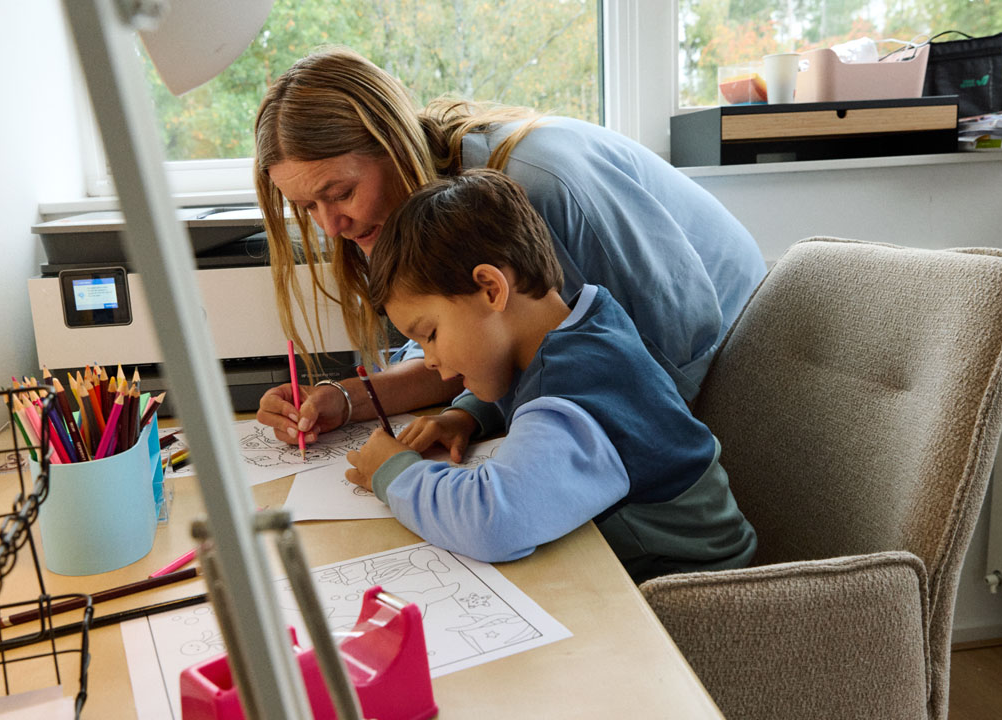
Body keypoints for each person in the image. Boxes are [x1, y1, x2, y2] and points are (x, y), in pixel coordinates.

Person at [253, 46, 766, 448]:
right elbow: (458, 357)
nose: (331, 225)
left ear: (393, 143)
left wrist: (526, 443)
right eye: (306, 208)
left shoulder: (539, 183)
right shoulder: (409, 218)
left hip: (730, 361)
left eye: (340, 193)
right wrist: (342, 401)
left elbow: (671, 351)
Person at [343, 170, 755, 582]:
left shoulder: (574, 392)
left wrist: (394, 472)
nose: (428, 359)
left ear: (491, 289)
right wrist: (467, 415)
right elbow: (523, 384)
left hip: (693, 594)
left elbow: (495, 521)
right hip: (667, 568)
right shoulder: (582, 326)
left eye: (429, 334)